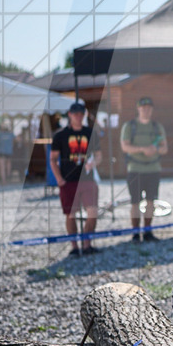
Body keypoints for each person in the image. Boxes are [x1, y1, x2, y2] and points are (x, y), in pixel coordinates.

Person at [50, 102, 102, 257]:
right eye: (76, 114)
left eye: (81, 114)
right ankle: (74, 247)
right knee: (71, 214)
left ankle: (87, 245)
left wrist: (94, 163)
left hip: (87, 179)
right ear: (70, 115)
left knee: (92, 212)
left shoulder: (90, 133)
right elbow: (53, 159)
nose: (79, 117)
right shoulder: (60, 135)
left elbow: (99, 155)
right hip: (68, 180)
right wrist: (59, 179)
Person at [120, 97, 168, 243]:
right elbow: (125, 147)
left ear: (152, 109)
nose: (146, 110)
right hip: (135, 169)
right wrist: (142, 149)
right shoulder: (130, 126)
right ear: (138, 109)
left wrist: (155, 149)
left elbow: (164, 148)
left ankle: (147, 232)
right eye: (143, 107)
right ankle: (135, 233)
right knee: (135, 202)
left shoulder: (157, 126)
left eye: (148, 108)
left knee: (150, 202)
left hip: (153, 169)